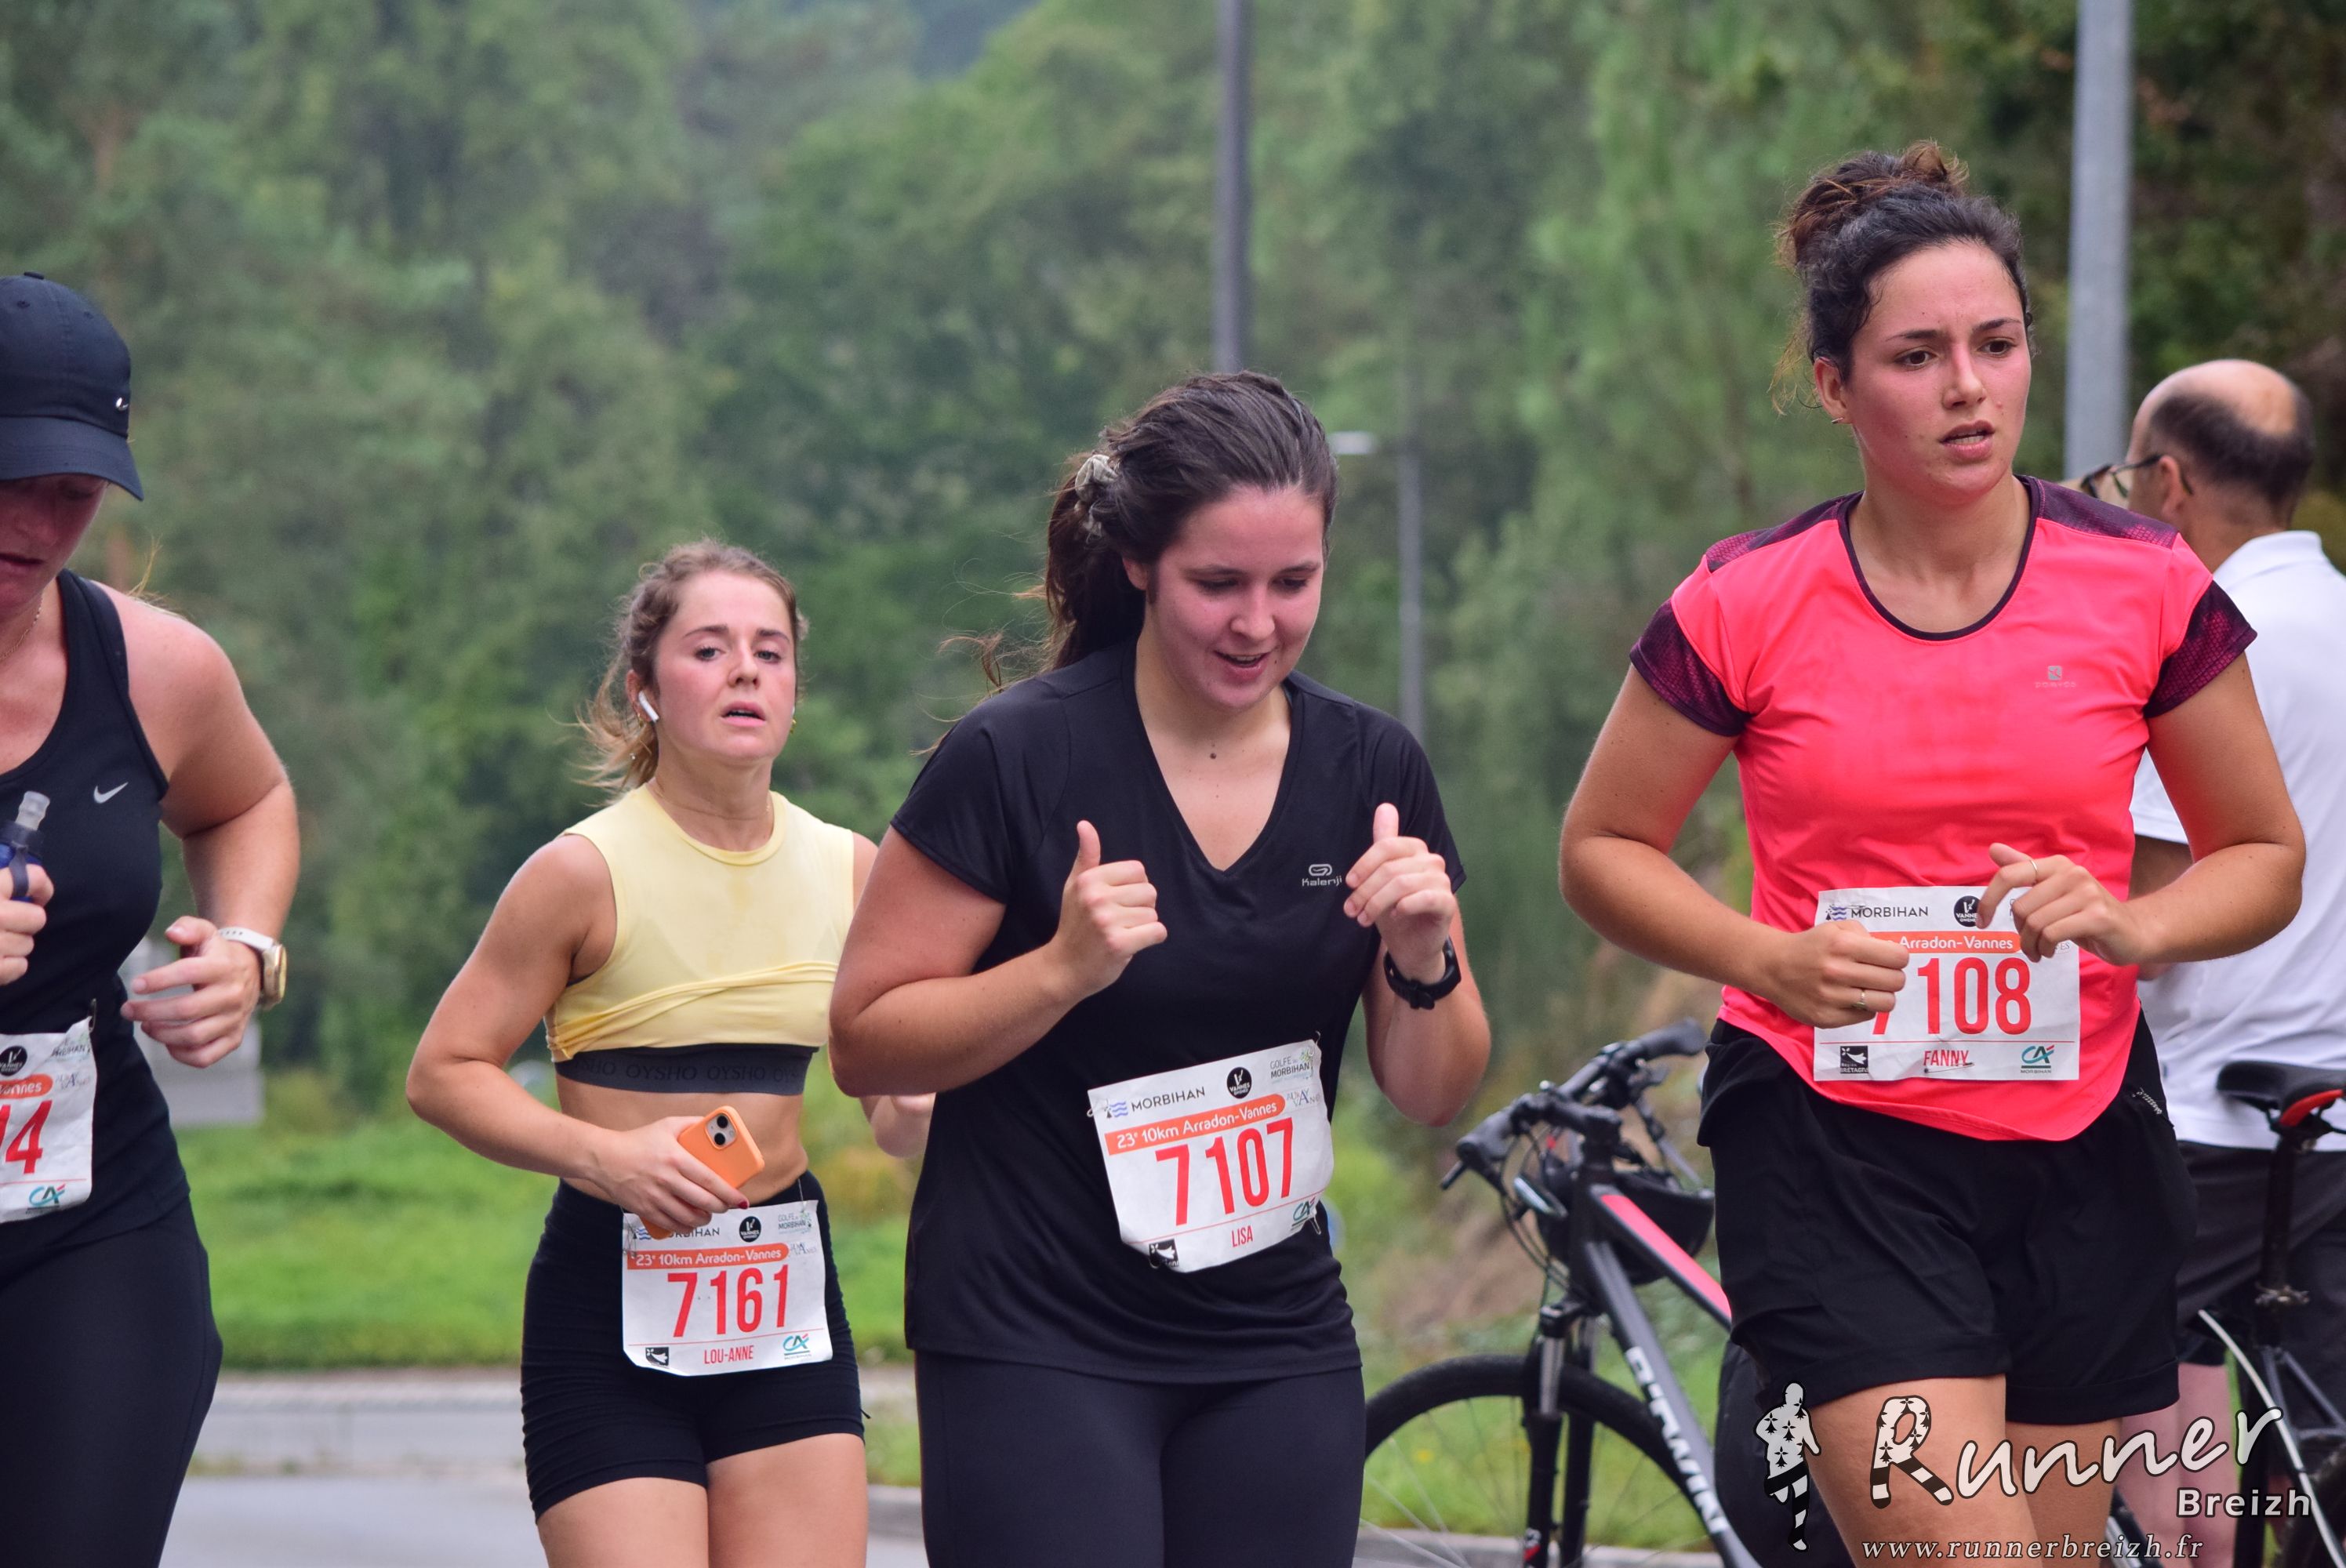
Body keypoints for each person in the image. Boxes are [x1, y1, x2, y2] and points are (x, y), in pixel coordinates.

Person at [1557, 147, 2305, 1552]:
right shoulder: (1746, 599)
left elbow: (2263, 852)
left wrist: (2136, 925)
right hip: (1834, 1141)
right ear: (1836, 387)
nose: (1970, 387)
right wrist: (1764, 957)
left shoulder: (2145, 582)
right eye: (1918, 356)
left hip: (2082, 1135)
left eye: (1997, 345)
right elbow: (1602, 845)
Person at [829, 370, 1491, 1568]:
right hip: (1036, 1330)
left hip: (1273, 1334)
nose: (1258, 624)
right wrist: (1058, 970)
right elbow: (867, 1038)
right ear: (1138, 563)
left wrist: (1423, 954)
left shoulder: (1371, 769)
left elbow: (1434, 1090)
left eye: (1294, 583)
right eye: (1218, 584)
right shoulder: (1016, 756)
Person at [405, 541, 928, 1568]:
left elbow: (892, 1106)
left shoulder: (851, 869)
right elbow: (444, 1072)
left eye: (770, 652)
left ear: (795, 690)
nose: (745, 672)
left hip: (778, 1286)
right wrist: (608, 1159)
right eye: (709, 649)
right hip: (609, 1293)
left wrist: (924, 1102)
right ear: (644, 687)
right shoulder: (580, 872)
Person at [0, 271, 300, 1566]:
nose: (40, 522)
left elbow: (251, 801)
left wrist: (248, 946)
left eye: (76, 489)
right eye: (12, 475)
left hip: (88, 1217)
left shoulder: (158, 667)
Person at [2092, 362, 2346, 1555]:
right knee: (2321, 1459)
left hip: (2208, 1109)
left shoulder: (2206, 643)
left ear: (2170, 482)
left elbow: (2140, 915)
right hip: (2333, 1112)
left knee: (2144, 1384)